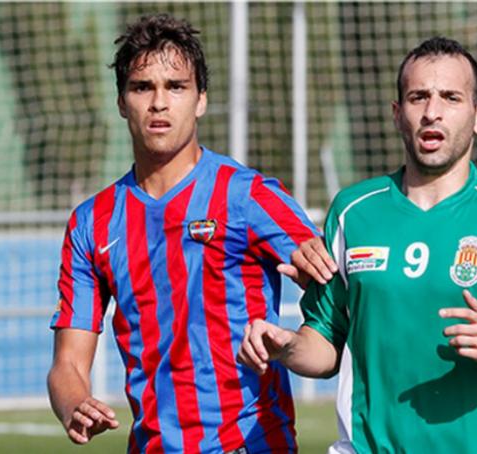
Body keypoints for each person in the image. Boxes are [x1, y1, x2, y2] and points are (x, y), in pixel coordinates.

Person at [238, 37, 477, 453]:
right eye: (419, 97)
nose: (432, 112)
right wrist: (287, 346)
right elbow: (325, 344)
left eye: (451, 97)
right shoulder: (352, 212)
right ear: (398, 114)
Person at [47, 13, 330, 453]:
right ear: (122, 102)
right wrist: (74, 403)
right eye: (143, 88)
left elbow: (334, 288)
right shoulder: (92, 222)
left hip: (251, 444)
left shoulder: (248, 196)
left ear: (200, 100)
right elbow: (67, 362)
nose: (159, 103)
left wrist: (303, 328)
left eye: (175, 87)